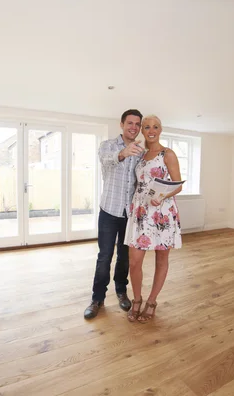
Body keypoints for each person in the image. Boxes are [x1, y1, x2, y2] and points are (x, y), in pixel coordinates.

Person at [84, 109, 145, 319]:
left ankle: (121, 291)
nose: (134, 127)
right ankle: (97, 298)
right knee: (104, 256)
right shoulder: (108, 145)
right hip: (109, 211)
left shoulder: (142, 152)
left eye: (137, 124)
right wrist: (123, 153)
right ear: (122, 124)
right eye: (130, 123)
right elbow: (106, 160)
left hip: (130, 214)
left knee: (124, 257)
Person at [124, 115, 182, 323]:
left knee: (161, 259)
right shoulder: (141, 154)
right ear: (142, 130)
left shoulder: (168, 154)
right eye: (146, 126)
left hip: (161, 213)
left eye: (155, 127)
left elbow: (177, 184)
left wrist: (161, 196)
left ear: (161, 129)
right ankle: (136, 299)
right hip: (140, 212)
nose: (151, 130)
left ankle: (151, 301)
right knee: (134, 261)